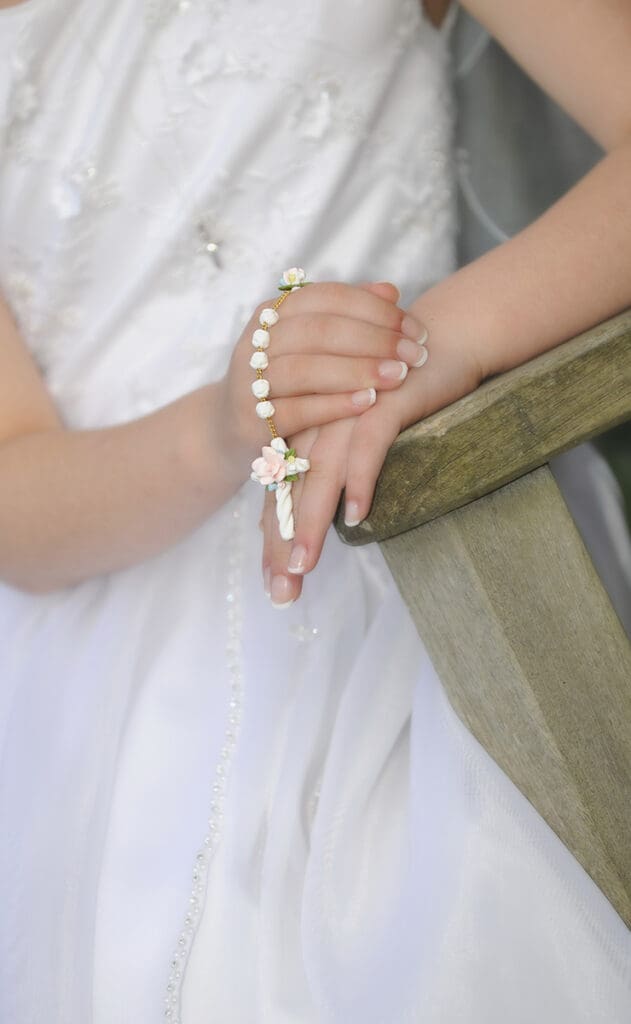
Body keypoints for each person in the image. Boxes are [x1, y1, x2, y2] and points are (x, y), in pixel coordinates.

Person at [0, 0, 629, 1021]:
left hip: (401, 524)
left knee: (444, 900)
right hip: (93, 626)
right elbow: (13, 488)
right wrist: (219, 424)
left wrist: (441, 337)